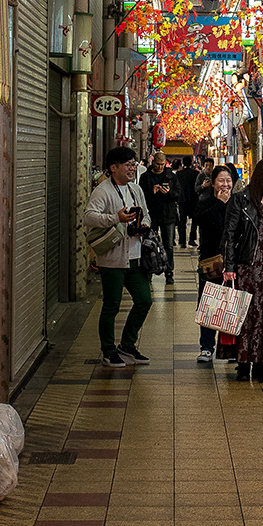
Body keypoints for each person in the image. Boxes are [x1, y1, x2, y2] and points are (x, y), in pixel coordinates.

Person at [84, 146, 154, 367]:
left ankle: (127, 345)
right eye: (128, 165)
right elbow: (89, 217)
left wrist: (144, 225)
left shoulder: (135, 189)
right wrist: (115, 218)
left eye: (134, 165)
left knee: (144, 300)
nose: (132, 169)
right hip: (112, 260)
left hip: (135, 257)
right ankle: (108, 350)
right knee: (111, 306)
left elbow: (147, 214)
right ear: (113, 167)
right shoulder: (103, 190)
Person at [222, 158, 263, 382]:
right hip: (245, 267)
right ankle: (242, 364)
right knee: (245, 315)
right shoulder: (240, 200)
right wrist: (229, 266)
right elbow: (229, 235)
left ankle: (260, 364)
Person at [194, 164, 235, 364]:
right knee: (209, 304)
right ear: (212, 182)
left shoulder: (238, 202)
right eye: (221, 180)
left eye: (228, 180)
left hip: (232, 261)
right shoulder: (205, 201)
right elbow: (202, 221)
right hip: (211, 261)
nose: (225, 185)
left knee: (232, 303)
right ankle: (206, 347)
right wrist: (219, 203)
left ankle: (230, 348)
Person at [144, 150, 178, 284]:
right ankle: (149, 271)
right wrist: (151, 193)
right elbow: (141, 196)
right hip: (151, 215)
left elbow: (178, 194)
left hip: (168, 215)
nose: (160, 167)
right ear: (153, 162)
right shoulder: (145, 177)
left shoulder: (171, 176)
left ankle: (169, 272)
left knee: (168, 245)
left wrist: (168, 193)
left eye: (162, 164)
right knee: (149, 244)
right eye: (158, 164)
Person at [176, 157, 200, 248]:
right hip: (193, 199)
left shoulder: (179, 174)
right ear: (191, 163)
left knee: (182, 221)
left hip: (182, 199)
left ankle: (182, 241)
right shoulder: (195, 173)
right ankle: (192, 239)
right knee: (194, 221)